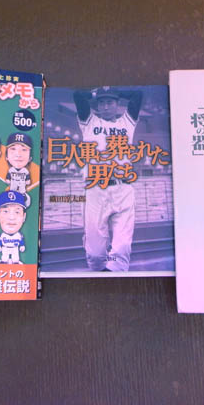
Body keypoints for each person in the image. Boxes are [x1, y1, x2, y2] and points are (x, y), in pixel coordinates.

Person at [73, 86, 142, 272]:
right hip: (96, 189)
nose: (105, 106)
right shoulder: (89, 122)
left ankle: (115, 274)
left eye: (110, 102)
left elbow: (137, 94)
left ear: (118, 105)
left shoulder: (126, 123)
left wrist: (116, 91)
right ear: (96, 105)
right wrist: (96, 93)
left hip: (123, 188)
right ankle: (98, 273)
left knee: (122, 247)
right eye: (101, 102)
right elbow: (78, 94)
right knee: (95, 254)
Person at [0, 190, 27, 264]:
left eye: (17, 212)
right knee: (4, 258)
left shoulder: (19, 235)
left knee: (16, 259)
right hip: (5, 248)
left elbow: (21, 241)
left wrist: (22, 246)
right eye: (5, 211)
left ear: (24, 216)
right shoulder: (2, 235)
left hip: (15, 249)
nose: (11, 217)